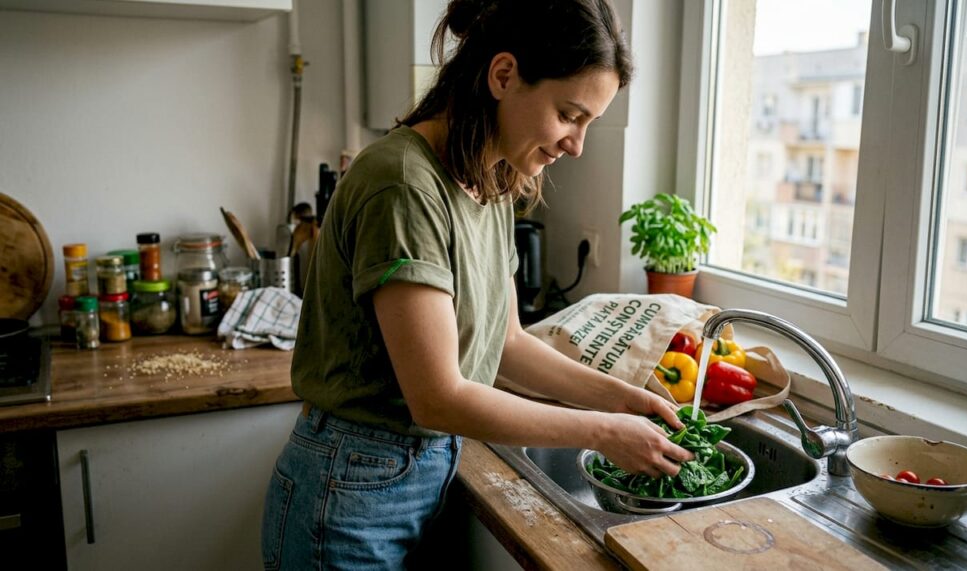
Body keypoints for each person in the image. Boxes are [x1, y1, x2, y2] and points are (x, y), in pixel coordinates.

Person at [260, 1, 693, 569]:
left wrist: (625, 398)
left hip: (419, 475)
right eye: (569, 115)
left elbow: (508, 345)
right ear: (504, 75)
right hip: (349, 490)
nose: (576, 144)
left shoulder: (489, 181)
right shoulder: (403, 184)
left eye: (588, 123)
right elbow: (439, 395)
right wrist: (605, 431)